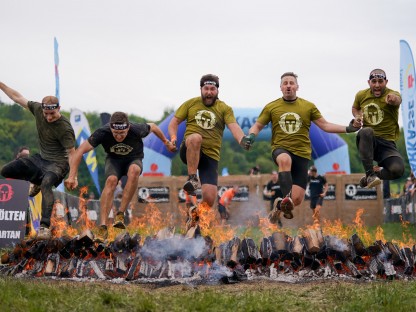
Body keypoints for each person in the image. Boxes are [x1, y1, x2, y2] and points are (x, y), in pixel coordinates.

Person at [243, 72, 360, 223]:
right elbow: (257, 125)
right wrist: (251, 136)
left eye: (291, 83)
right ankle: (285, 199)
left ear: (297, 86)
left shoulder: (308, 106)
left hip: (302, 155)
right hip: (281, 149)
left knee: (297, 199)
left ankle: (279, 207)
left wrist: (348, 128)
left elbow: (325, 125)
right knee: (285, 160)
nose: (288, 86)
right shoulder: (271, 107)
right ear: (280, 87)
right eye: (285, 83)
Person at [65, 111, 176, 242]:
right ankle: (103, 226)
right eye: (115, 133)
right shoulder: (102, 132)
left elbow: (154, 127)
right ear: (111, 128)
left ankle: (120, 214)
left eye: (122, 133)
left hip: (133, 159)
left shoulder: (137, 129)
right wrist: (72, 176)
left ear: (128, 127)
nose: (118, 137)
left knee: (134, 170)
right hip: (114, 161)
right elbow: (79, 152)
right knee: (111, 180)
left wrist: (165, 141)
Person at [0, 82, 76, 240]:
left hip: (59, 164)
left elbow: (72, 153)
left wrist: (72, 176)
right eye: (46, 113)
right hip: (41, 159)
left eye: (52, 114)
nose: (48, 117)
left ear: (59, 109)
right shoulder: (37, 109)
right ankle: (36, 180)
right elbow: (17, 97)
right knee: (6, 171)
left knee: (47, 183)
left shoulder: (65, 128)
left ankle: (44, 227)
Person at [168, 74, 248, 209]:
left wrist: (243, 140)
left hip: (210, 157)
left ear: (217, 91)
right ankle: (192, 179)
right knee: (196, 138)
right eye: (206, 89)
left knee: (210, 198)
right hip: (189, 149)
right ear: (201, 89)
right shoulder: (190, 103)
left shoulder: (224, 108)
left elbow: (234, 127)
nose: (209, 92)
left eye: (212, 89)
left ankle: (195, 218)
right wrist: (173, 138)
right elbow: (173, 123)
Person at [352, 69, 404, 189]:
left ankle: (373, 175)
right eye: (374, 81)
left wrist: (393, 99)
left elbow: (398, 100)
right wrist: (357, 116)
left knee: (398, 170)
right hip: (368, 141)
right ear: (368, 82)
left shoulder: (392, 94)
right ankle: (370, 174)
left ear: (386, 82)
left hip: (387, 143)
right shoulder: (361, 95)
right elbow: (355, 108)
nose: (377, 85)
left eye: (380, 81)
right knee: (366, 131)